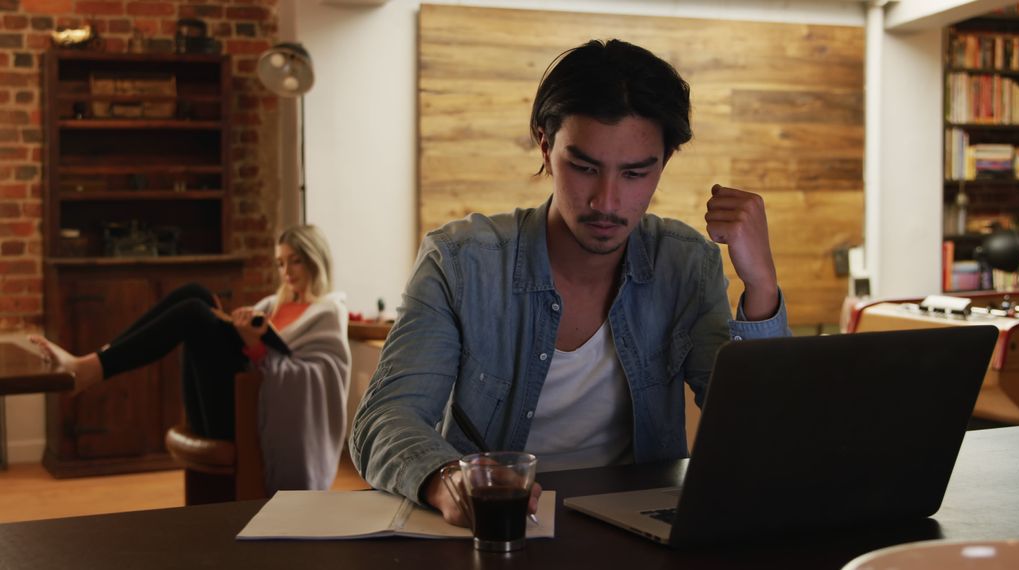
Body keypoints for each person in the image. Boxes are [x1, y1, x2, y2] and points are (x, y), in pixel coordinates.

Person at [351, 39, 790, 526]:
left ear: (663, 162)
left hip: (638, 534)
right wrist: (444, 477)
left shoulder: (687, 265)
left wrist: (762, 287)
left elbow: (766, 435)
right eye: (584, 167)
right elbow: (385, 418)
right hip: (495, 529)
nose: (606, 201)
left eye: (634, 173)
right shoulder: (461, 263)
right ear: (545, 144)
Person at [30, 225, 351, 492]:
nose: (286, 272)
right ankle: (94, 362)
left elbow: (319, 381)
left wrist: (257, 348)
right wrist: (242, 334)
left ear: (314, 261)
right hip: (224, 404)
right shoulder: (271, 305)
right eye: (280, 263)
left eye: (294, 261)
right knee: (193, 293)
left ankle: (87, 369)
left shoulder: (327, 313)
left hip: (256, 421)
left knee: (195, 313)